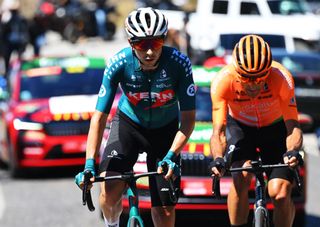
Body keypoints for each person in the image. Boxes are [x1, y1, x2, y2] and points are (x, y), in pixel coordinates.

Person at [75, 7, 195, 227]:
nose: (150, 52)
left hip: (165, 131)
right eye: (141, 44)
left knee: (165, 211)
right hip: (128, 126)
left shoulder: (180, 64)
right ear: (131, 43)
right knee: (109, 191)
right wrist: (89, 163)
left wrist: (172, 154)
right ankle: (112, 224)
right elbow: (99, 118)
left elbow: (187, 121)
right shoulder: (118, 63)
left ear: (164, 40)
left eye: (156, 43)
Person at [209, 34, 303, 227]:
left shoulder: (281, 77)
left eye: (260, 78)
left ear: (268, 70)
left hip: (275, 129)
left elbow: (293, 126)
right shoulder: (223, 81)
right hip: (242, 129)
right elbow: (219, 131)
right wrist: (218, 157)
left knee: (280, 193)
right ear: (236, 70)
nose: (253, 84)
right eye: (246, 77)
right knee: (241, 177)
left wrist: (293, 151)